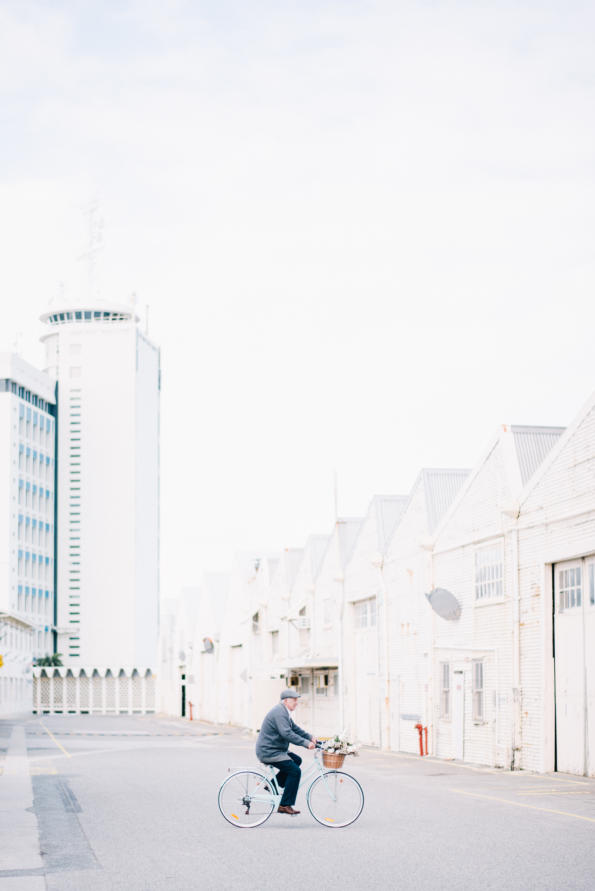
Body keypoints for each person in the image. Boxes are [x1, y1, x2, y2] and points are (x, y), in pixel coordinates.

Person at [255, 688, 316, 815]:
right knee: (295, 771)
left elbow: (294, 728)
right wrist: (306, 743)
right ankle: (284, 804)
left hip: (276, 749)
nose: (296, 703)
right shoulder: (279, 713)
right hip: (269, 751)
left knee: (297, 760)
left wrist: (310, 737)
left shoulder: (284, 712)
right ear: (286, 701)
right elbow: (287, 733)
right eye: (294, 700)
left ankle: (272, 785)